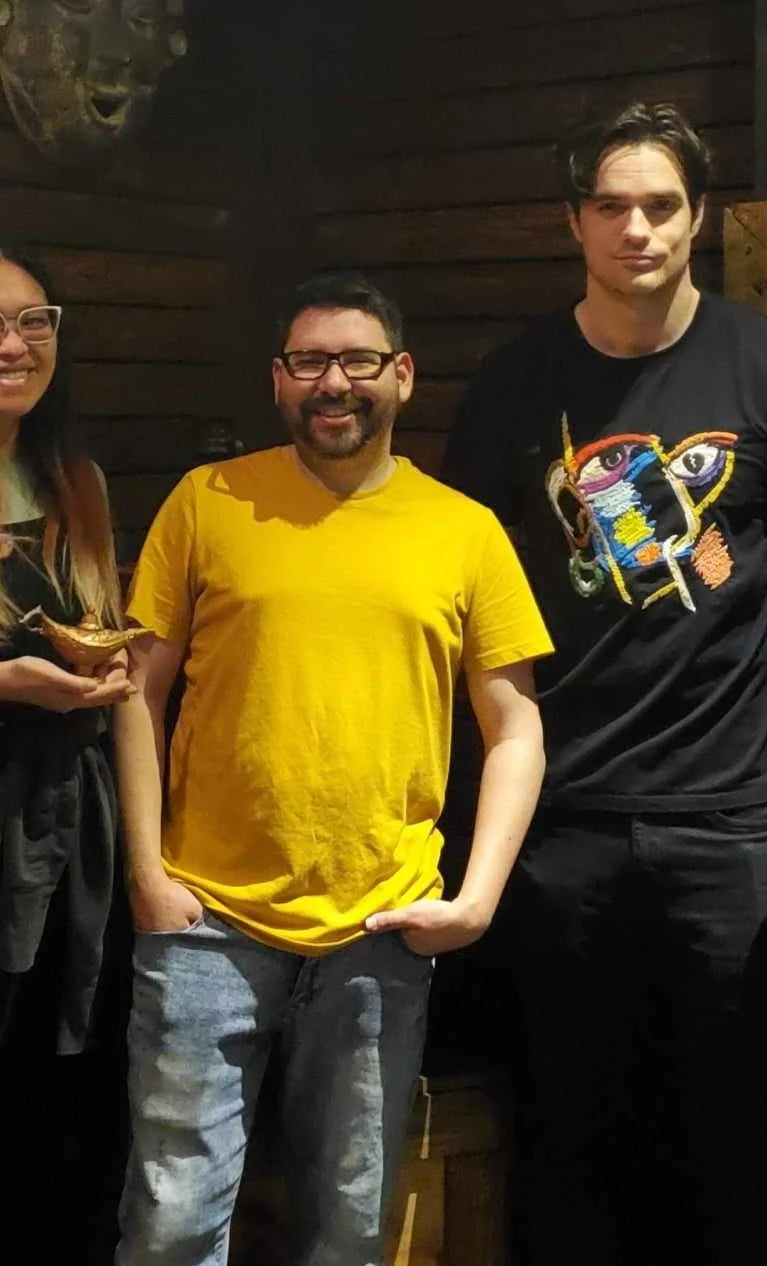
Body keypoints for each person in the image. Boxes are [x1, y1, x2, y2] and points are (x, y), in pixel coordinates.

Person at [440, 100, 767, 1266]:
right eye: (611, 207)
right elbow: (462, 591)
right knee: (567, 1145)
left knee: (744, 1145)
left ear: (699, 216)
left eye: (661, 206)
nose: (637, 230)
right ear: (573, 222)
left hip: (732, 825)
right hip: (561, 824)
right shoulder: (514, 385)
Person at [113, 272, 552, 1266]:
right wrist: (148, 876)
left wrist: (476, 900)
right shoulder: (207, 502)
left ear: (402, 374)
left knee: (350, 1227)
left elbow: (515, 726)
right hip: (206, 922)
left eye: (358, 360)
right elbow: (138, 690)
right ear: (278, 379)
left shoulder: (463, 529)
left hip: (379, 928)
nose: (334, 383)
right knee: (173, 1224)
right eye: (309, 361)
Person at [0, 244, 135, 1264]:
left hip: (73, 815)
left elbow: (109, 628)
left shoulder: (76, 480)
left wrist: (109, 672)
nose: (13, 345)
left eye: (33, 321)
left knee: (61, 1076)